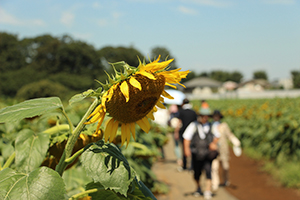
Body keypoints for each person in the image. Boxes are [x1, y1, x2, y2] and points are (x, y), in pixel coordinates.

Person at [183, 107, 220, 200]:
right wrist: (186, 150)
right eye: (203, 116)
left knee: (208, 171)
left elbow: (217, 136)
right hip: (196, 153)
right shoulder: (193, 126)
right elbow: (187, 138)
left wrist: (213, 143)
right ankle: (198, 187)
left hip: (207, 153)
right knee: (196, 173)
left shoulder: (212, 126)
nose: (205, 118)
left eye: (206, 116)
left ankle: (207, 190)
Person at [211, 110, 241, 191]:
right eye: (215, 116)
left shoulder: (224, 126)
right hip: (214, 150)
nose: (216, 117)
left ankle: (226, 180)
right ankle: (215, 183)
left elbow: (229, 134)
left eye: (217, 116)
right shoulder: (210, 126)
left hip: (223, 149)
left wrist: (234, 141)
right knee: (214, 167)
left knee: (225, 166)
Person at [174, 98, 197, 171]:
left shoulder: (181, 112)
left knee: (184, 149)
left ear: (183, 103)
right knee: (192, 149)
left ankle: (184, 165)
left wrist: (176, 132)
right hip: (192, 134)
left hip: (183, 133)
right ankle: (192, 166)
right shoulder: (193, 112)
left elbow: (179, 122)